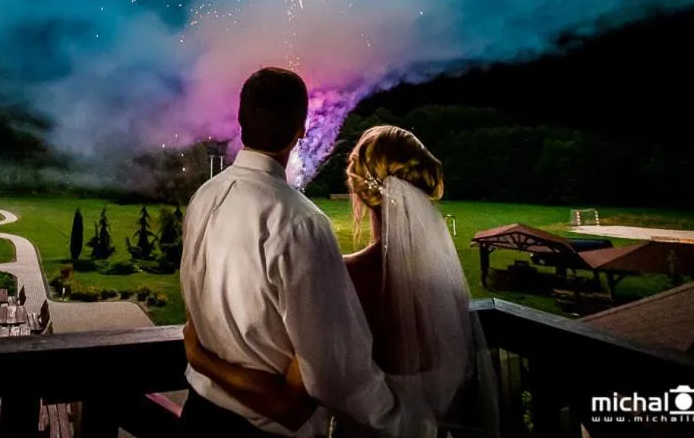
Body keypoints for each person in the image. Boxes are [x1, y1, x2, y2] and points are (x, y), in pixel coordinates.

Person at [185, 125, 499, 437]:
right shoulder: (449, 283)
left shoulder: (343, 277)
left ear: (358, 190)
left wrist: (202, 360)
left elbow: (298, 394)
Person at [181, 68, 419, 437]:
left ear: (241, 120)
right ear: (301, 128)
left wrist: (201, 360)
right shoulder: (303, 222)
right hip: (265, 429)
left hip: (197, 415)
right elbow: (324, 366)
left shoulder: (203, 198)